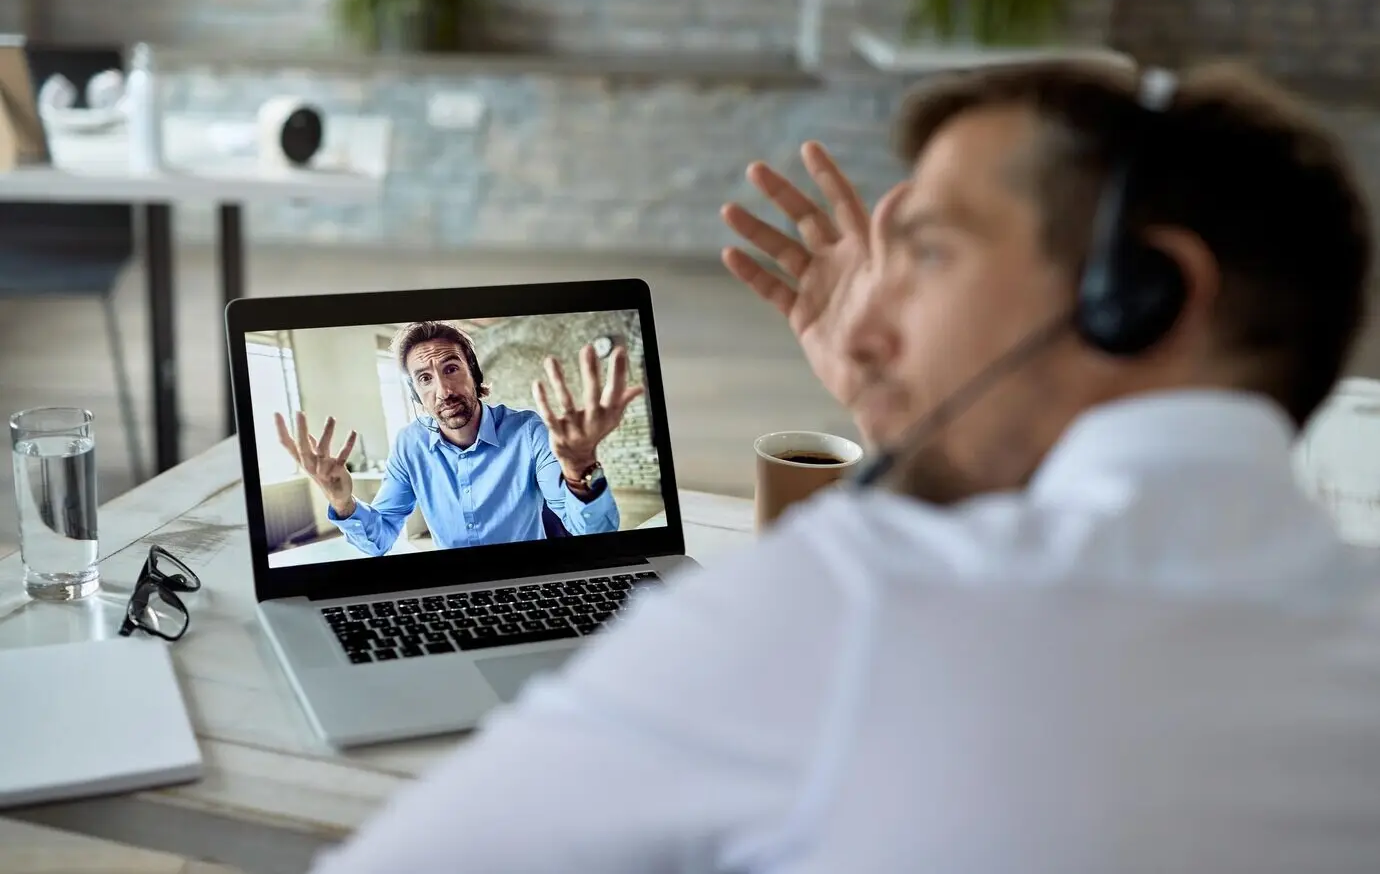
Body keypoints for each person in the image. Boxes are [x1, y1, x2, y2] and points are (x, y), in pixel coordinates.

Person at [308, 60, 1380, 873]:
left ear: (1140, 293)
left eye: (928, 251)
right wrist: (903, 398)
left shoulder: (867, 597)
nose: (867, 326)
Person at [275, 321, 644, 553]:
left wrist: (580, 469)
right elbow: (380, 540)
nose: (443, 389)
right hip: (450, 584)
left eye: (451, 368)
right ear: (416, 394)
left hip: (531, 579)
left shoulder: (528, 431)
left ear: (475, 375)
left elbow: (593, 534)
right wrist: (342, 502)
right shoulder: (409, 445)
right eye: (425, 378)